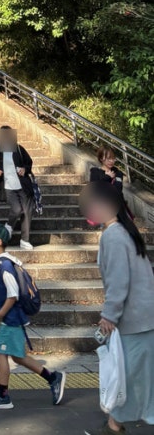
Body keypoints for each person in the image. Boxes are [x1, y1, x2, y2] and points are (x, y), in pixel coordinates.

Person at [81, 181, 154, 435]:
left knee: (130, 376)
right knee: (140, 375)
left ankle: (114, 424)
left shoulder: (113, 235)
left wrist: (109, 315)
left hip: (133, 319)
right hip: (144, 316)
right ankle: (116, 422)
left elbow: (118, 279)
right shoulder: (126, 230)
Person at [0, 220, 65, 411]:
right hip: (13, 317)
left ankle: (3, 396)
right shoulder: (2, 263)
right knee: (18, 357)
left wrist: (0, 313)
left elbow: (13, 294)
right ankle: (53, 378)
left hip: (11, 318)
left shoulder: (3, 265)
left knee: (1, 354)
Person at [0, 126, 35, 251]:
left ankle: (25, 240)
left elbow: (29, 162)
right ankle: (9, 226)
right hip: (8, 186)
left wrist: (24, 169)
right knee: (16, 209)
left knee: (27, 211)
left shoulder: (19, 149)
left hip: (22, 185)